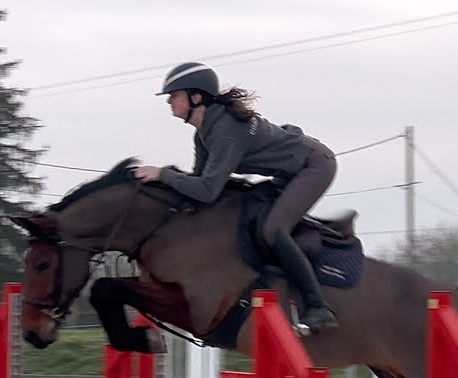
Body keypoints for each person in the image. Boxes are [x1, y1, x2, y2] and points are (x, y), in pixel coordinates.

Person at [131, 61, 340, 334]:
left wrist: (164, 175)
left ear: (196, 97)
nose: (169, 101)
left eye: (174, 95)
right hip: (288, 172)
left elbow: (207, 190)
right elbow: (200, 187)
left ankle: (319, 307)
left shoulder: (225, 129)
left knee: (273, 229)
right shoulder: (203, 135)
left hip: (315, 166)